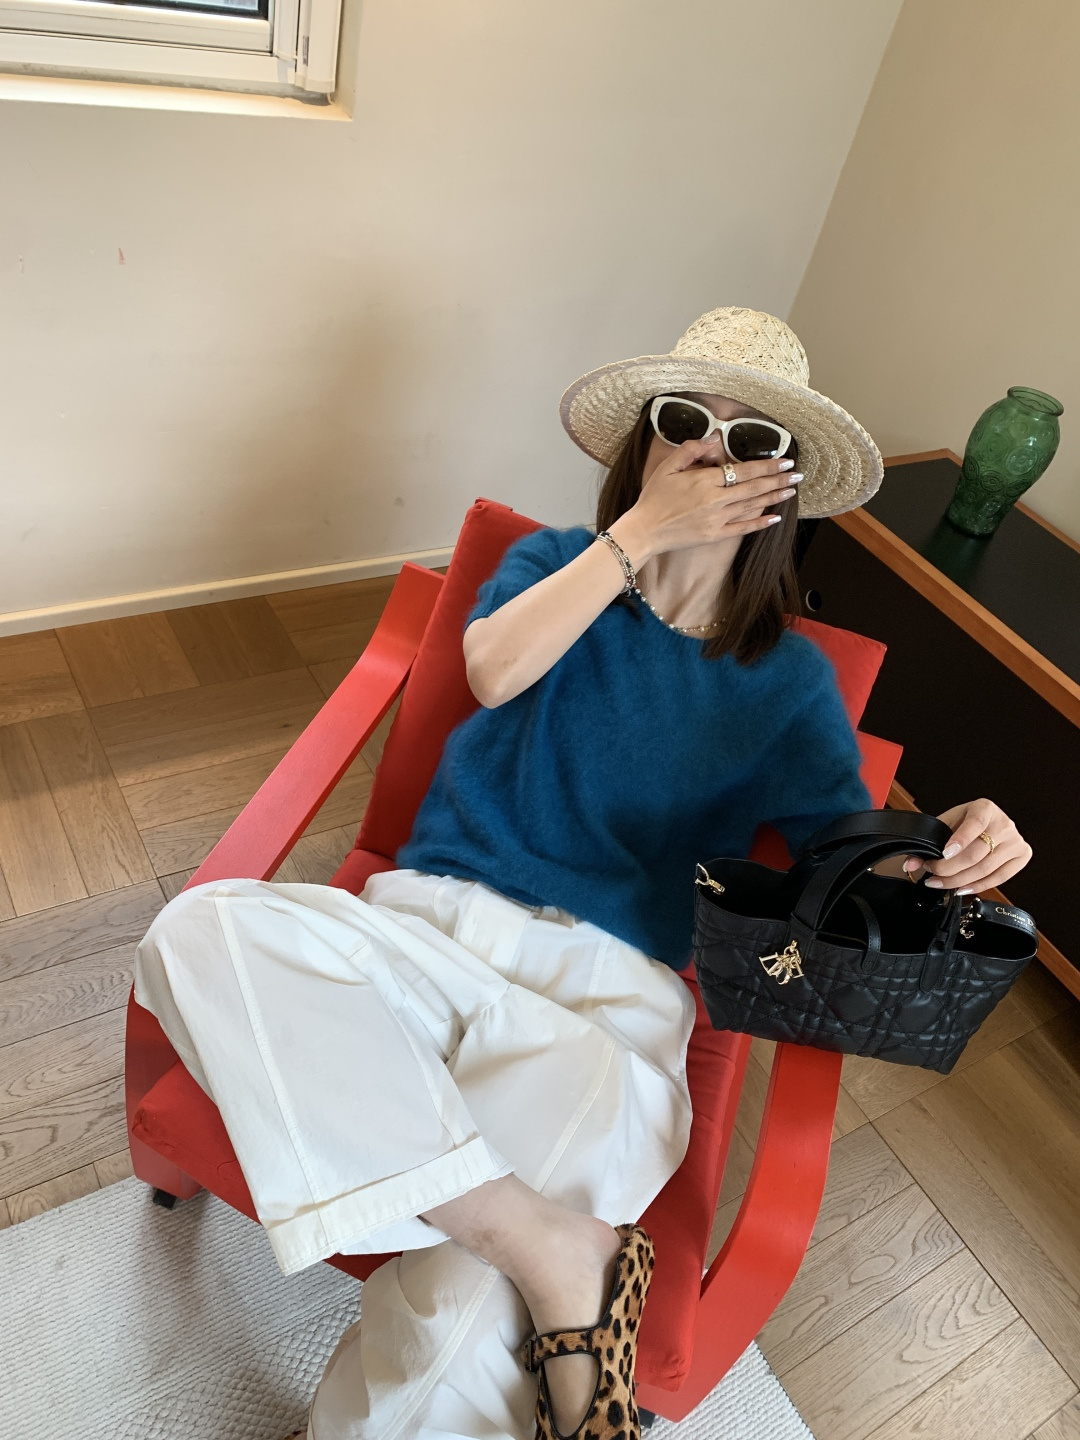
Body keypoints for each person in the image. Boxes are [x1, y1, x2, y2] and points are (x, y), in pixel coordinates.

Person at [133, 307, 1032, 1440]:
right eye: (685, 421)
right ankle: (553, 1244)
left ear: (784, 486)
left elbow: (840, 854)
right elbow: (491, 671)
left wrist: (955, 842)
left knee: (466, 1306)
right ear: (644, 445)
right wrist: (637, 540)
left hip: (608, 1011)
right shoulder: (556, 565)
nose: (711, 452)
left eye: (752, 438)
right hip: (426, 932)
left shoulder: (787, 680)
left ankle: (445, 1281)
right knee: (198, 931)